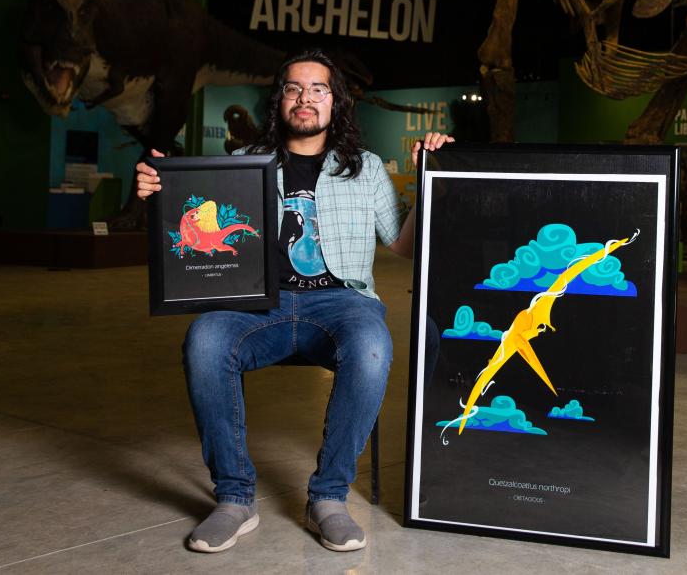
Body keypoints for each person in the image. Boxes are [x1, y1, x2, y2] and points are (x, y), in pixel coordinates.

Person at [135, 48, 452, 553]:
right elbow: (193, 227)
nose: (305, 99)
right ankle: (234, 498)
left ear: (336, 103)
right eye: (294, 88)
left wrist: (431, 177)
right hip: (258, 303)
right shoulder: (241, 164)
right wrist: (159, 191)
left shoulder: (364, 168)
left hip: (342, 302)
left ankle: (328, 497)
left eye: (319, 89)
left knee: (372, 347)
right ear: (279, 100)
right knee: (204, 340)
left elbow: (403, 244)